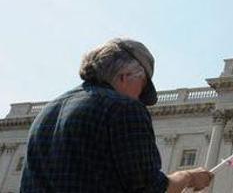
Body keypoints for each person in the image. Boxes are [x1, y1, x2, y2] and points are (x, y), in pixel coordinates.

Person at [21, 38, 214, 192]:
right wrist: (188, 177)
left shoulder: (45, 115)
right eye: (143, 85)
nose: (140, 97)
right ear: (124, 76)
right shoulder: (123, 108)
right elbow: (151, 189)